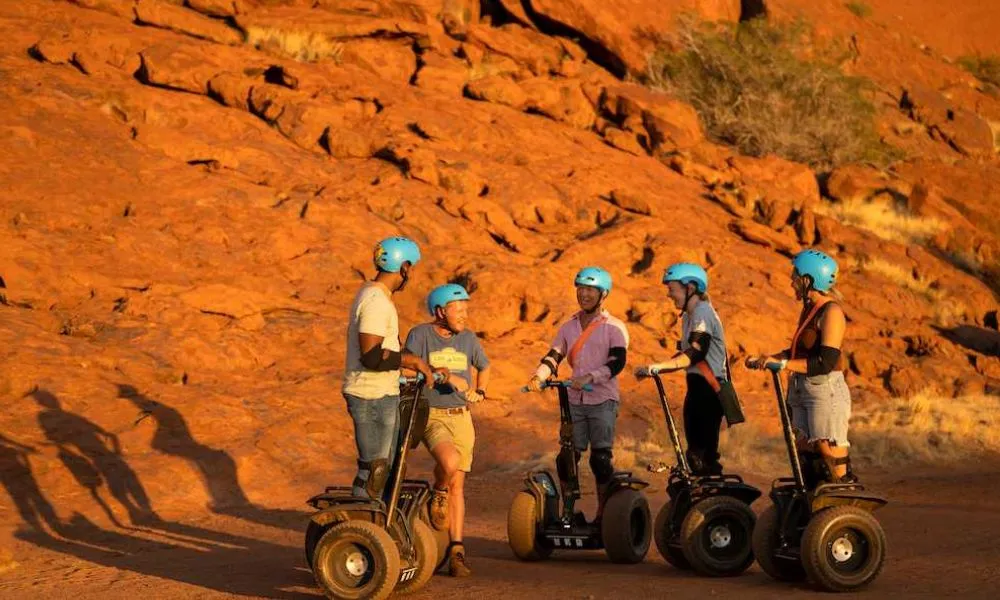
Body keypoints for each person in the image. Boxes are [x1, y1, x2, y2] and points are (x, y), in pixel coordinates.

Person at [746, 249, 857, 486]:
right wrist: (768, 358)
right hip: (802, 389)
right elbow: (799, 352)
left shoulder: (832, 312)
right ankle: (811, 513)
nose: (791, 281)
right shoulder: (810, 309)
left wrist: (784, 364)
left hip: (824, 391)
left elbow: (824, 362)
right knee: (805, 453)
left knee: (828, 457)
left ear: (809, 279)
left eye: (795, 275)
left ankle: (843, 512)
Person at [525, 267, 629, 519]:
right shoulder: (568, 327)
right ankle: (569, 511)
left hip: (602, 399)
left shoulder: (614, 327)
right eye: (581, 289)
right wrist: (539, 376)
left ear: (603, 294)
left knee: (600, 460)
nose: (584, 294)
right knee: (566, 458)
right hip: (574, 400)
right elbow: (554, 356)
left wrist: (590, 377)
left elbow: (617, 362)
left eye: (590, 290)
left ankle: (605, 513)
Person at [342, 237, 440, 499]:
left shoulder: (378, 296)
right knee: (373, 471)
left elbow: (391, 349)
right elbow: (372, 356)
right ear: (404, 266)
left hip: (382, 393)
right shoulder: (376, 300)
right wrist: (411, 362)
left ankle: (379, 526)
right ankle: (361, 530)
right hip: (369, 396)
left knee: (388, 470)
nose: (411, 274)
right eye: (411, 267)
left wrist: (424, 365)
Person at [404, 283, 490, 577]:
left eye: (467, 309)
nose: (465, 315)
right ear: (441, 311)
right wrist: (440, 374)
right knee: (449, 463)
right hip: (432, 415)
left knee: (459, 486)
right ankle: (437, 489)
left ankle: (457, 551)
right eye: (459, 309)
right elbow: (406, 368)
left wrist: (481, 389)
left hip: (461, 417)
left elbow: (484, 366)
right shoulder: (420, 334)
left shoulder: (468, 339)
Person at [635, 263, 730, 476]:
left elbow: (695, 353)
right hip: (697, 388)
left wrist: (658, 367)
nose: (669, 295)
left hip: (709, 390)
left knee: (702, 456)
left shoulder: (703, 312)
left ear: (690, 288)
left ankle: (717, 504)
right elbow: (686, 356)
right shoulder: (689, 315)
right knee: (694, 455)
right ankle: (704, 499)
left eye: (672, 289)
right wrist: (655, 370)